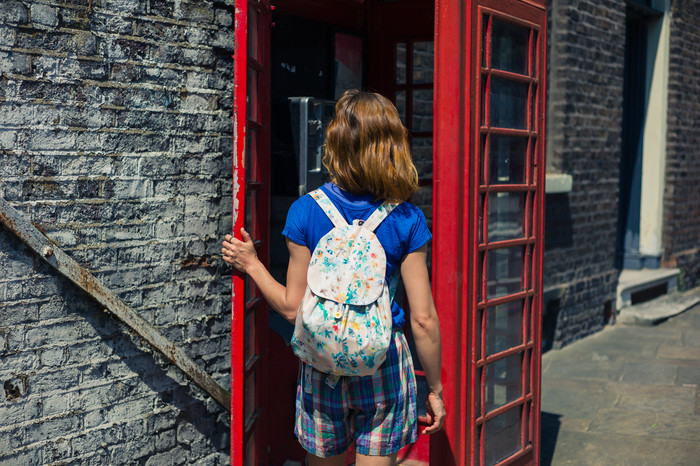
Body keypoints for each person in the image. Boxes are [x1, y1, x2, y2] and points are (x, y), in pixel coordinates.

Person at [222, 89, 445, 466]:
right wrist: (435, 389)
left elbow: (293, 309)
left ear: (336, 142)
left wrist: (251, 264)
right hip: (384, 361)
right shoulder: (408, 219)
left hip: (322, 363)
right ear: (392, 146)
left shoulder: (305, 210)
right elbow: (423, 320)